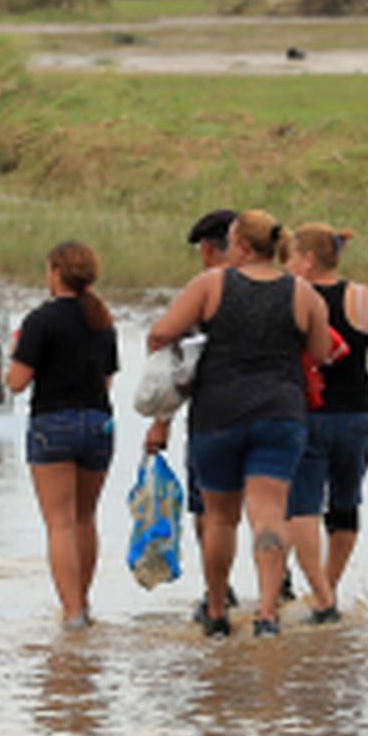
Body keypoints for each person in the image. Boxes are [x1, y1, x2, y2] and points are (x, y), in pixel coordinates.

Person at [146, 209, 335, 638]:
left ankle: (216, 611)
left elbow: (162, 332)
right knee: (269, 515)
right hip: (281, 413)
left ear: (244, 246)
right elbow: (321, 353)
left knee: (219, 519)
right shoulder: (303, 293)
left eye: (231, 242)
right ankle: (267, 614)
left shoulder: (211, 285)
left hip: (218, 414)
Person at [284, 223, 368, 623]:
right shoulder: (361, 298)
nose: (286, 265)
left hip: (308, 414)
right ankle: (330, 587)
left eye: (291, 257)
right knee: (346, 502)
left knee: (302, 505)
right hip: (358, 415)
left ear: (309, 260)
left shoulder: (294, 296)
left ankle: (320, 595)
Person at [7, 240, 121, 630]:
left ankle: (71, 613)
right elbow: (105, 381)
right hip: (97, 423)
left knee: (59, 523)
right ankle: (83, 603)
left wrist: (16, 353)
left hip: (53, 423)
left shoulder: (40, 321)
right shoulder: (102, 320)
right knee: (86, 518)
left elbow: (17, 383)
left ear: (56, 273)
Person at [143, 207, 238, 620]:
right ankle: (278, 588)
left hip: (214, 418)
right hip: (277, 415)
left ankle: (218, 593)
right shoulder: (278, 284)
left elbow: (177, 364)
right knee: (270, 506)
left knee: (211, 511)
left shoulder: (203, 292)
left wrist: (160, 421)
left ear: (207, 249)